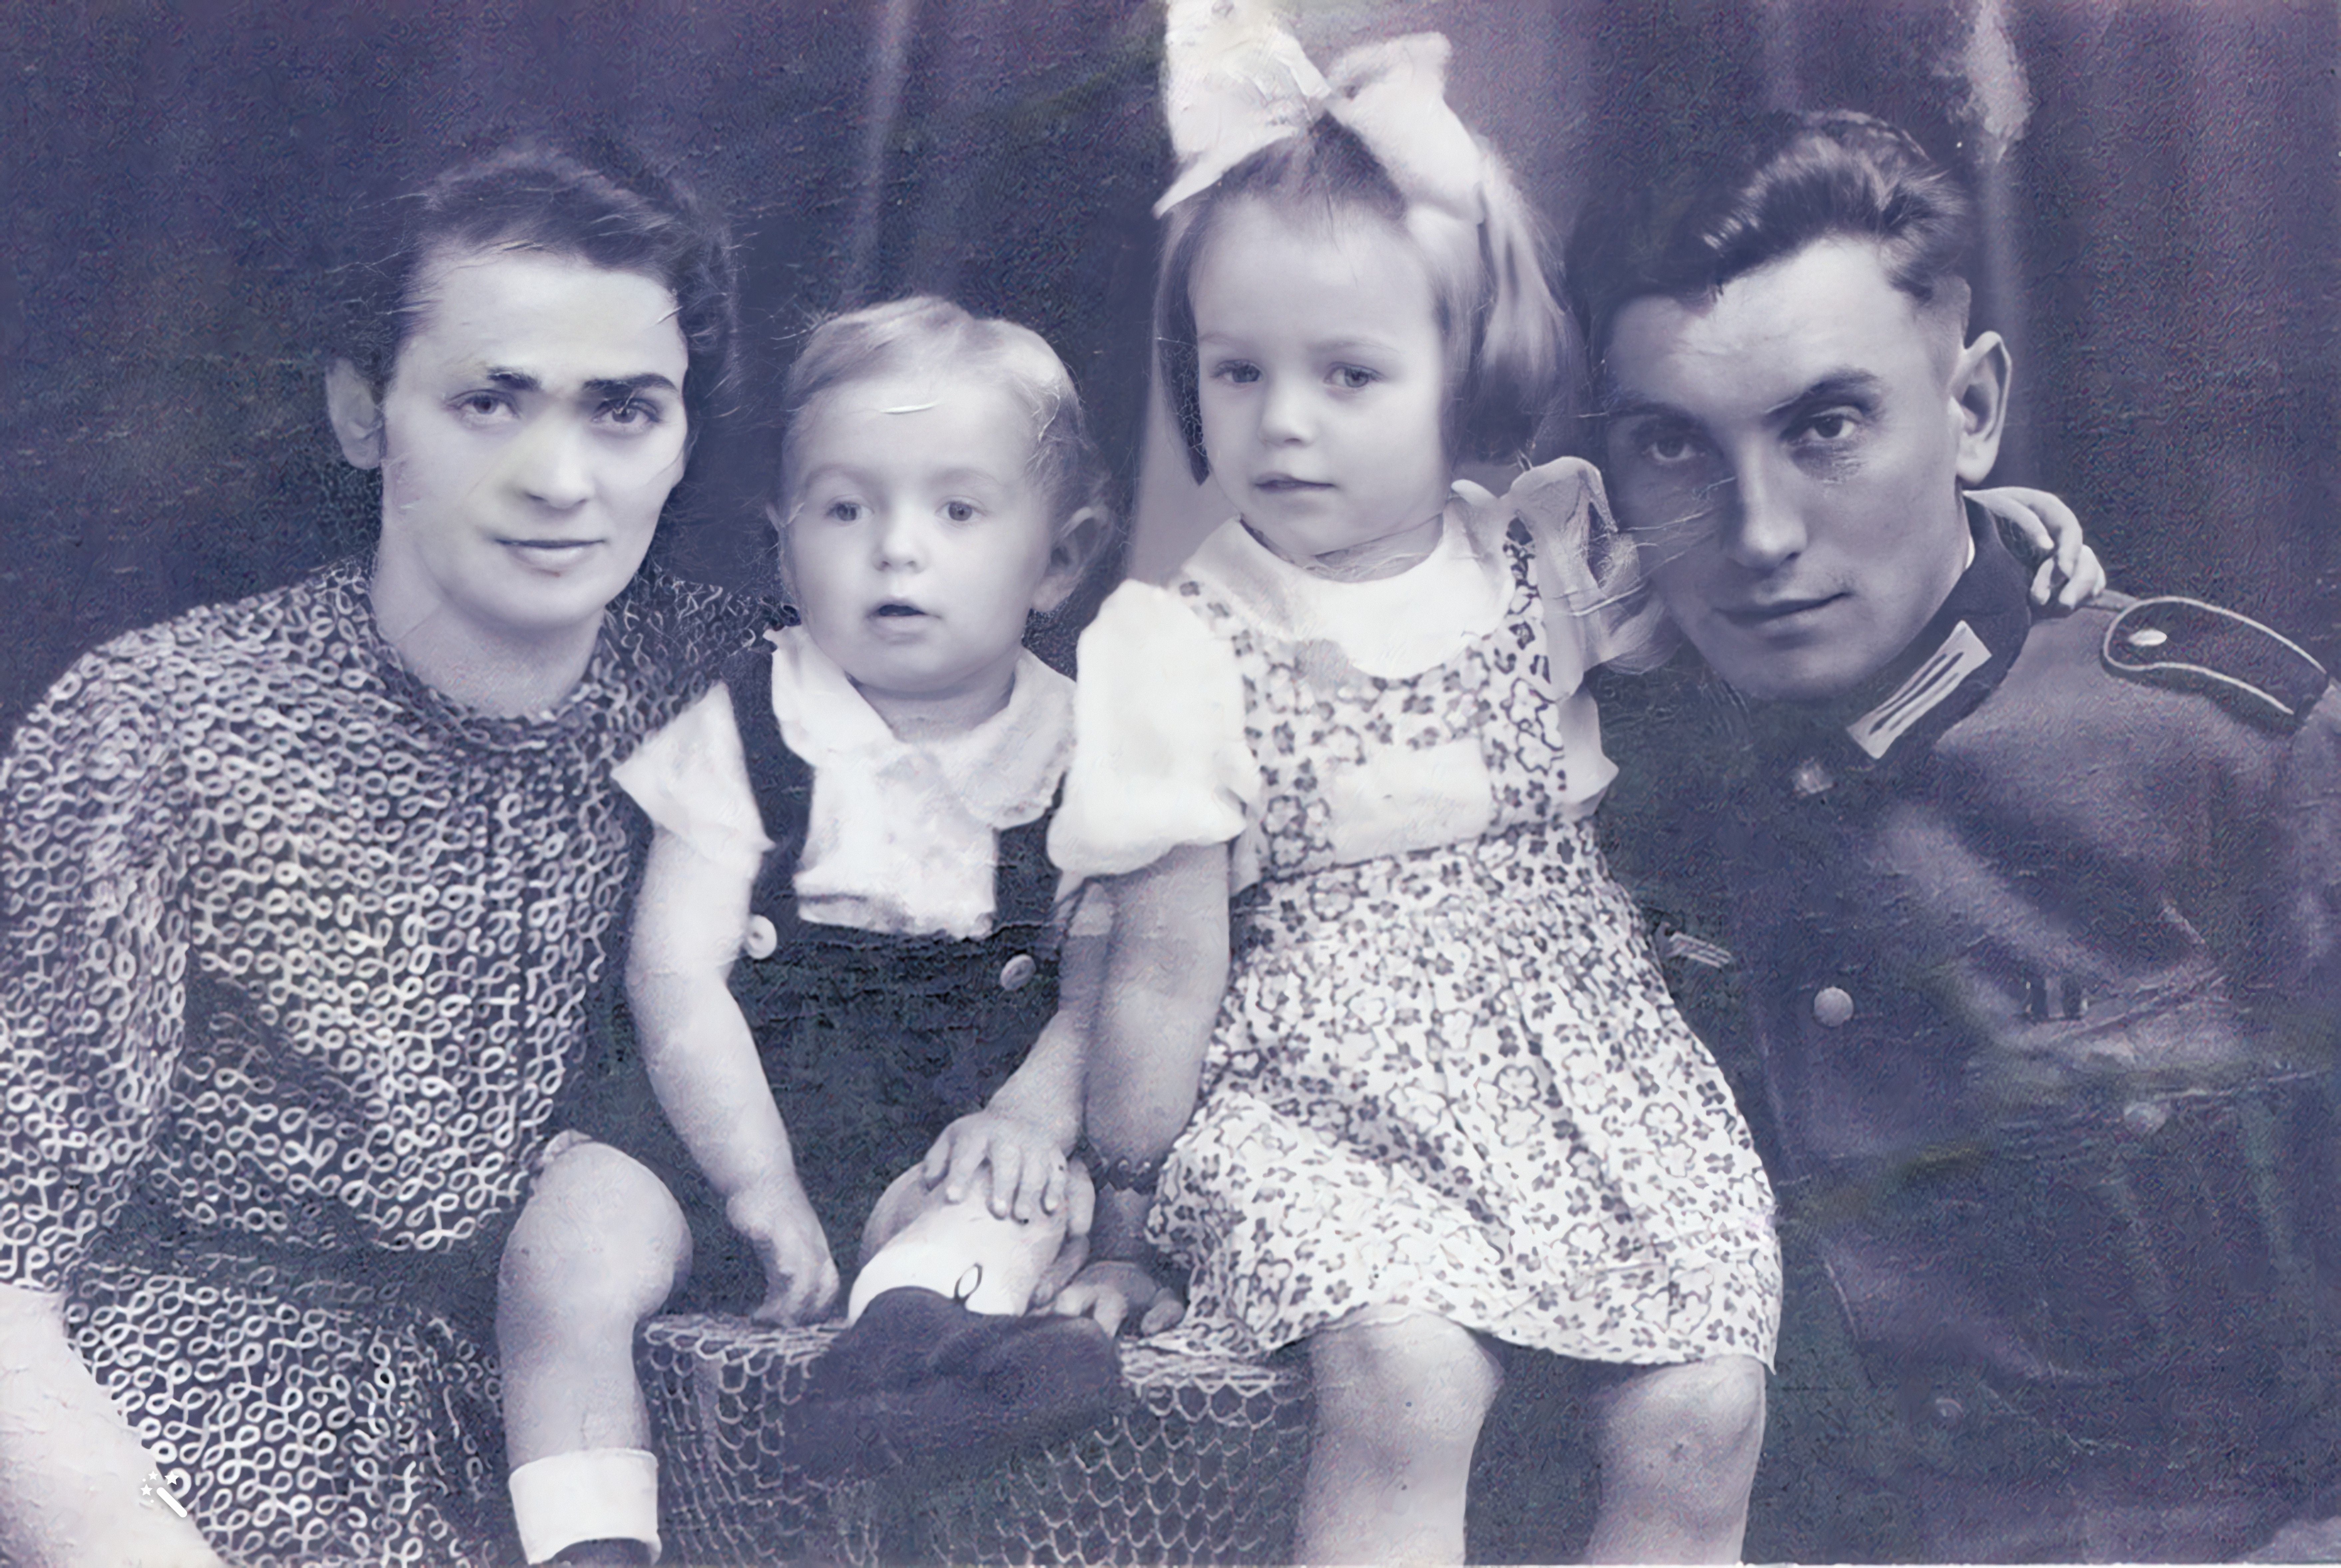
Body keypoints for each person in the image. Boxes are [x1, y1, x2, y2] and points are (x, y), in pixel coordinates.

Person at [1043, 10, 1786, 1562]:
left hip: (1593, 1085)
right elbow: (1166, 965)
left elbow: (1766, 571)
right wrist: (1122, 1220)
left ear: (1467, 373)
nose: (1283, 422)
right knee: (1409, 1374)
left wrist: (1999, 523)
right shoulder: (1180, 642)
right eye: (1238, 370)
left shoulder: (1549, 552)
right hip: (1320, 1098)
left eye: (1350, 373)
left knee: (1705, 1399)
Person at [1568, 109, 2341, 1561]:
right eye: (1674, 445)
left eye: (1827, 427)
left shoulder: (2229, 759)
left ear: (1972, 408)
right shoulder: (1572, 782)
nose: (1760, 533)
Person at [0, 143, 766, 1567]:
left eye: (622, 409)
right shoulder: (159, 726)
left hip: (559, 1443)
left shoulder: (737, 688)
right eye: (489, 401)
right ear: (365, 412)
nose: (560, 478)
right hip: (176, 1449)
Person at [495, 295, 1120, 1566]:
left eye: (959, 512)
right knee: (563, 1245)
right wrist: (756, 1184)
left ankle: (904, 1353)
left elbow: (1102, 990)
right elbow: (675, 975)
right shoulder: (748, 721)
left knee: (1011, 1209)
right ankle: (593, 1546)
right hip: (724, 1116)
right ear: (785, 556)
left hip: (949, 1133)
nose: (898, 552)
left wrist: (1029, 1118)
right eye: (847, 510)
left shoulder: (1091, 754)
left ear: (1059, 559)